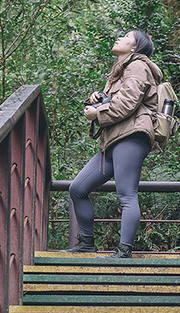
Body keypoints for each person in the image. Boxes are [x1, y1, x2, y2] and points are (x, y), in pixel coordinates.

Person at [65, 30, 162, 258]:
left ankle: (124, 251)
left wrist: (97, 113)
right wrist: (99, 98)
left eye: (127, 36)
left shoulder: (139, 66)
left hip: (131, 136)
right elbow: (119, 100)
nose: (119, 37)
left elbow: (128, 103)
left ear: (135, 47)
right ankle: (87, 243)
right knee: (78, 189)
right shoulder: (121, 70)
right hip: (113, 138)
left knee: (127, 194)